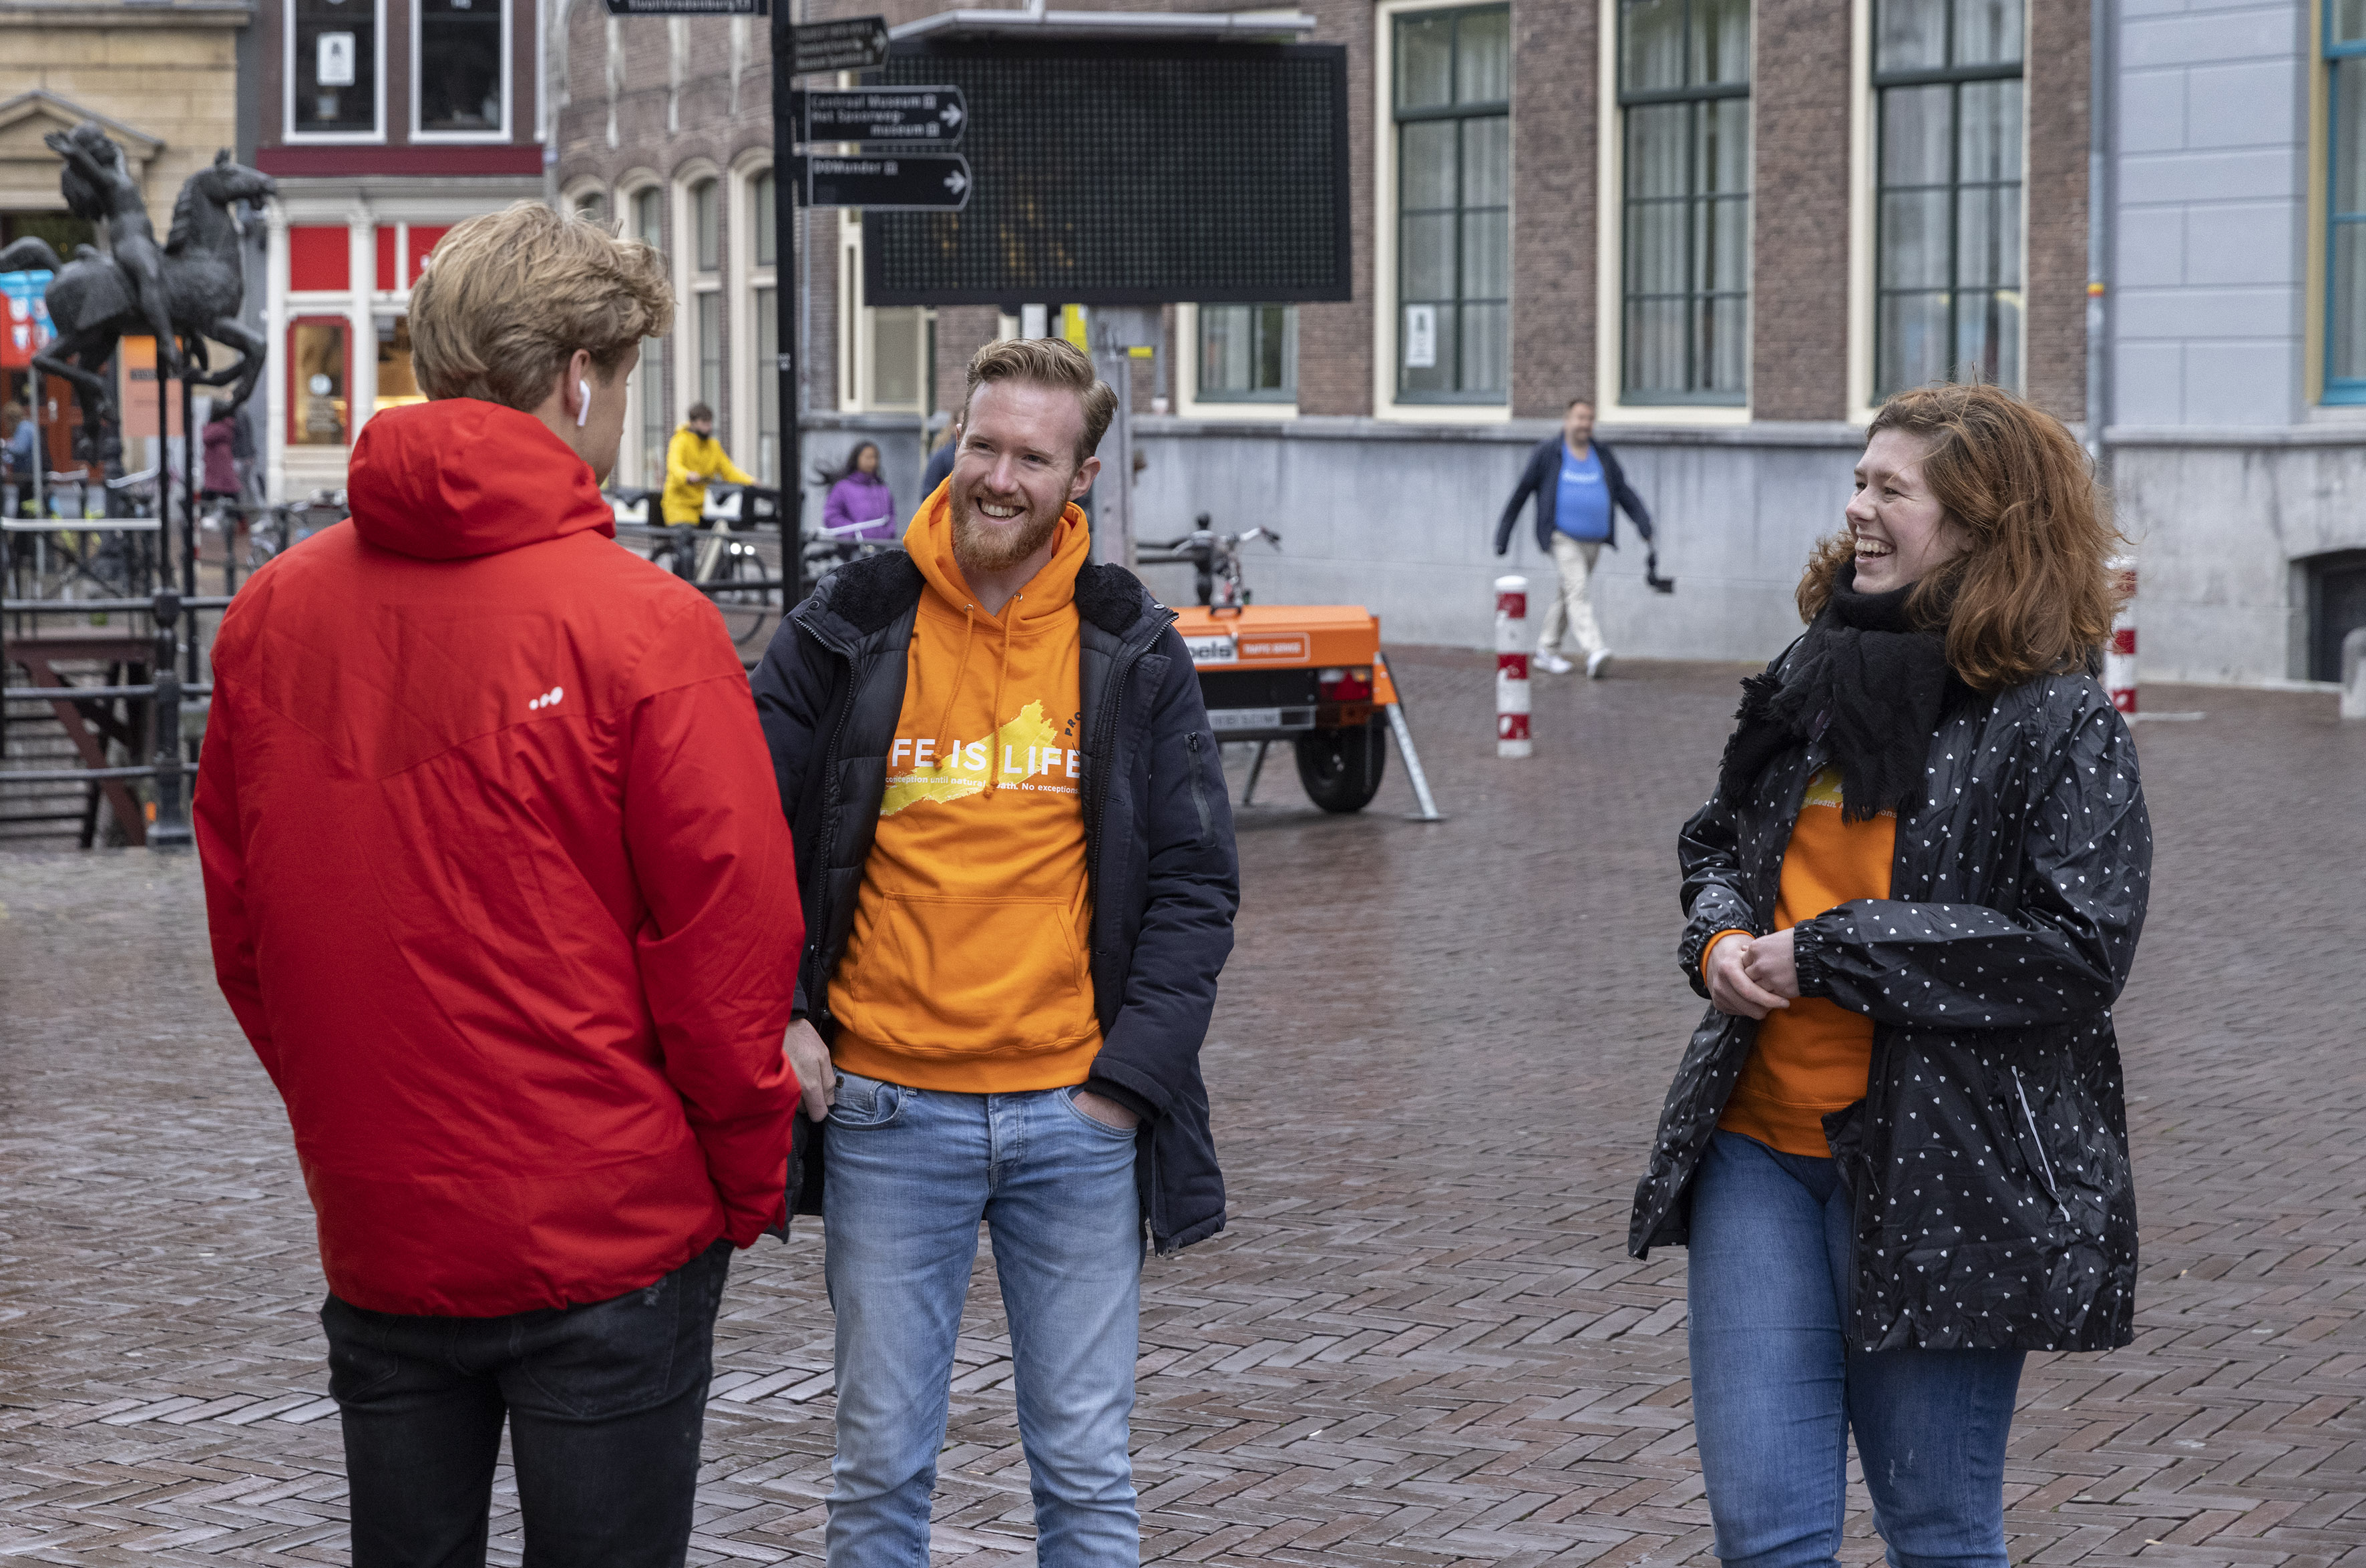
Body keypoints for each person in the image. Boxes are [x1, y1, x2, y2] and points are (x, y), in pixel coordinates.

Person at [194, 202, 806, 1568]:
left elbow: (249, 935)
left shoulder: (270, 617)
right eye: (625, 380)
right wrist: (743, 1171)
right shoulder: (645, 625)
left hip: (386, 1215)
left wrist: (354, 1122)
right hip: (609, 1225)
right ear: (579, 377)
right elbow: (728, 941)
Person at [1627, 383, 2152, 1567]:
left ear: (1976, 523)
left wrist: (1830, 949)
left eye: (1888, 488)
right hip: (1755, 1149)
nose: (1855, 508)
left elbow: (2076, 946)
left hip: (1943, 1170)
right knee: (1765, 1535)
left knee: (1935, 1530)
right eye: (1858, 480)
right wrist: (1715, 941)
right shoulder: (1819, 663)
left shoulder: (2057, 717)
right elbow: (1719, 837)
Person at [751, 336, 1239, 1567]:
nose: (999, 476)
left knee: (1083, 1467)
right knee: (877, 1467)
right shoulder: (848, 625)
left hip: (1073, 1120)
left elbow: (1193, 886)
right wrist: (786, 1011)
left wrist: (1125, 1087)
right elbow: (738, 832)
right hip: (883, 1109)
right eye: (982, 444)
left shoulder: (1133, 645)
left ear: (1079, 475)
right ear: (950, 440)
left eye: (1033, 454)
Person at [1493, 397, 1653, 678]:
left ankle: (1546, 649)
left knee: (1568, 592)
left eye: (1590, 419)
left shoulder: (1602, 454)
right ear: (1567, 421)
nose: (1585, 424)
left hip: (1594, 540)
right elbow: (1522, 492)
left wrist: (1644, 524)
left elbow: (1624, 491)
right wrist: (1503, 535)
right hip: (1560, 536)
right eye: (1580, 418)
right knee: (1578, 589)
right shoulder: (1549, 453)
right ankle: (1595, 650)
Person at [662, 399, 754, 524]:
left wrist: (750, 482)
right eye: (704, 423)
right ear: (693, 423)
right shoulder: (680, 441)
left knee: (727, 530)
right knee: (685, 535)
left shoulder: (713, 445)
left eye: (710, 423)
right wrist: (687, 475)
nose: (709, 427)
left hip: (705, 505)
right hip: (680, 505)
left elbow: (729, 471)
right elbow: (674, 466)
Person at [819, 439, 896, 540]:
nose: (872, 461)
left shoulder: (882, 489)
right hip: (853, 549)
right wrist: (854, 534)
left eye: (875, 457)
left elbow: (891, 516)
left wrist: (888, 533)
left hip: (881, 548)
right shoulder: (842, 488)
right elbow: (831, 517)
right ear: (856, 459)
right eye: (868, 457)